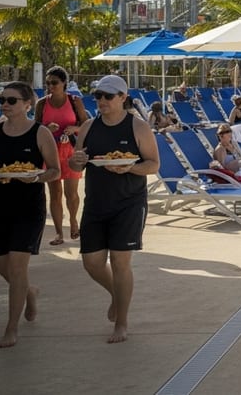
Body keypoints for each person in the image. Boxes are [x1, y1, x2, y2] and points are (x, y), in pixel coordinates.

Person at [0, 82, 61, 347]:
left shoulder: (40, 133)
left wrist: (37, 177)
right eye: (3, 99)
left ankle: (11, 328)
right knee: (4, 269)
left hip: (29, 207)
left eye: (12, 101)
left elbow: (55, 170)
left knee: (17, 268)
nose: (5, 104)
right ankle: (30, 292)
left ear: (28, 104)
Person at [66, 75, 160, 344]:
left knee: (120, 262)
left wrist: (130, 167)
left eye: (108, 96)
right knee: (92, 263)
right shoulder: (88, 127)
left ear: (122, 98)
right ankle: (116, 295)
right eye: (98, 96)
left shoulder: (138, 127)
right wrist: (76, 160)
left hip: (129, 202)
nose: (102, 101)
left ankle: (121, 322)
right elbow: (76, 165)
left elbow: (153, 165)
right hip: (96, 202)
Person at [35, 66, 88, 246]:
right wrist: (45, 129)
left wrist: (74, 128)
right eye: (48, 83)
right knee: (55, 193)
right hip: (50, 151)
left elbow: (85, 123)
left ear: (64, 83)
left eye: (54, 83)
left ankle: (73, 220)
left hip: (70, 150)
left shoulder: (74, 101)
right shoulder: (42, 103)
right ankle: (59, 232)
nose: (51, 86)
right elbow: (35, 128)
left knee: (71, 193)